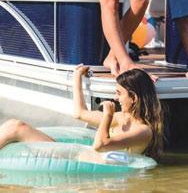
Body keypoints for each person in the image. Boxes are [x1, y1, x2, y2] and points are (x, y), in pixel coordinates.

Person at [0, 65, 164, 161]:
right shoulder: (122, 118)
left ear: (133, 97)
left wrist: (107, 116)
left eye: (119, 93)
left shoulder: (143, 131)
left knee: (16, 127)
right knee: (15, 126)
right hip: (74, 155)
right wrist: (77, 77)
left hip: (74, 161)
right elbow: (79, 113)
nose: (116, 98)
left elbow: (100, 146)